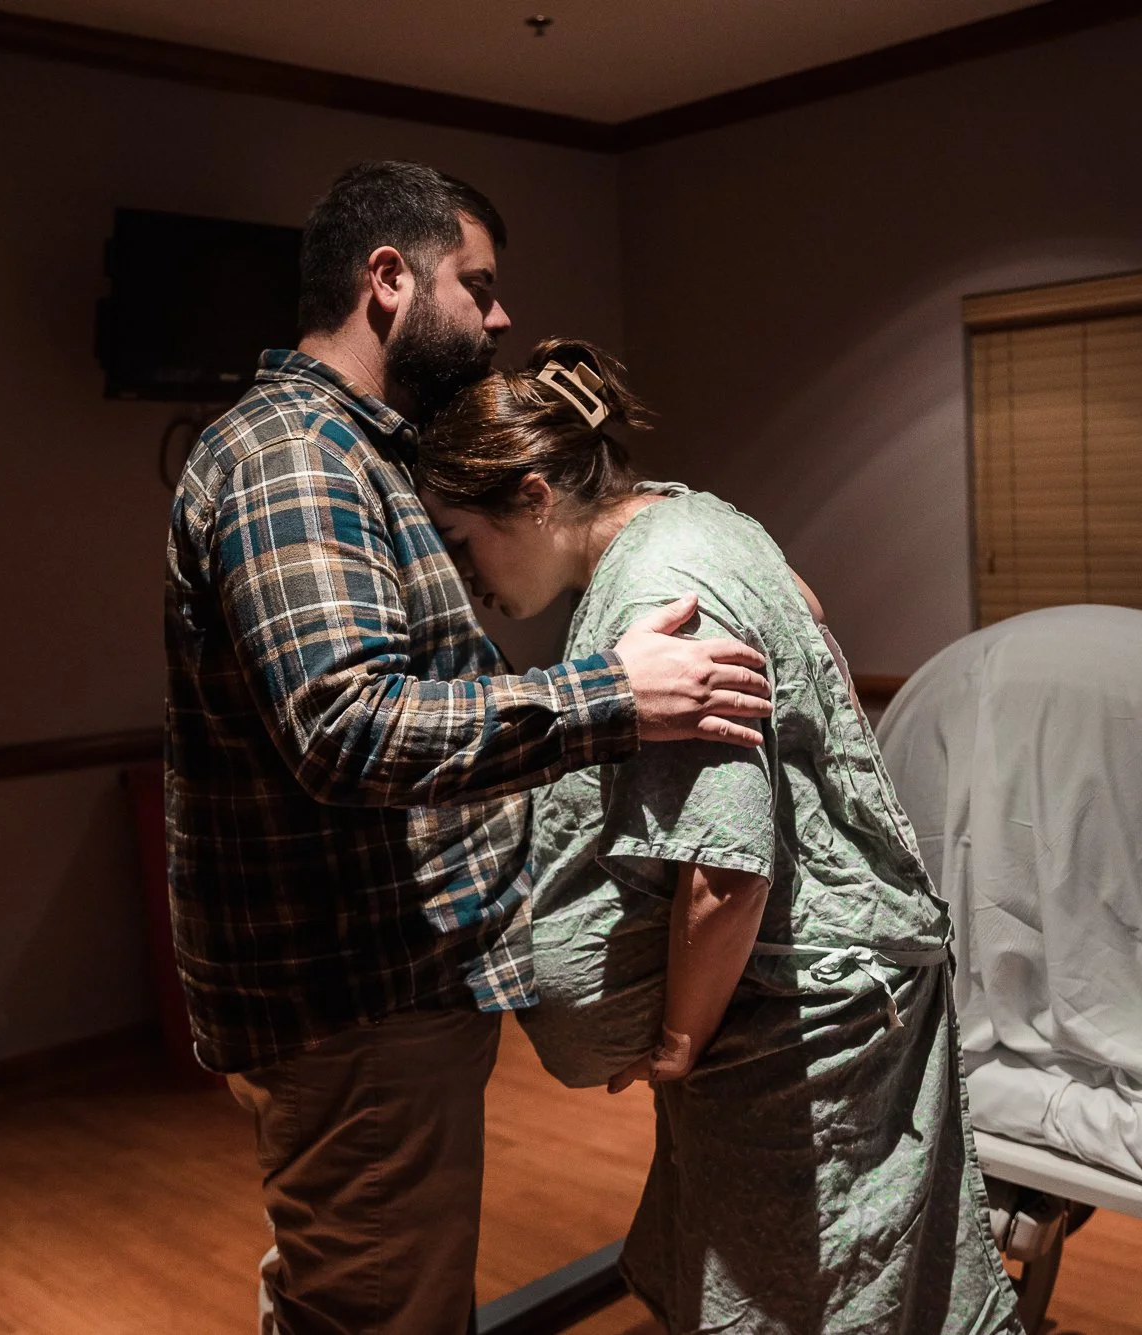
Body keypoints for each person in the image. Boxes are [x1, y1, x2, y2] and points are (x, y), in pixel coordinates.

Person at [164, 162, 775, 1335]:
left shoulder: (360, 449)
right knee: (375, 1315)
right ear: (388, 281)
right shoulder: (296, 455)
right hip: (355, 1002)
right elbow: (346, 727)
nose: (497, 318)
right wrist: (611, 696)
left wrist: (695, 544)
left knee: (361, 1294)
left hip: (385, 994)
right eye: (476, 284)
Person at [414, 338, 1023, 1334]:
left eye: (459, 537)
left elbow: (725, 875)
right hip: (810, 996)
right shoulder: (689, 517)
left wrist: (678, 1041)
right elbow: (807, 611)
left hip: (796, 1023)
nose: (461, 572)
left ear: (529, 496)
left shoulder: (666, 599)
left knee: (805, 1300)